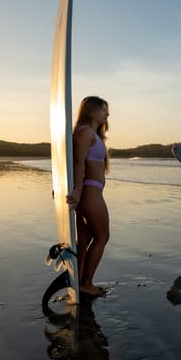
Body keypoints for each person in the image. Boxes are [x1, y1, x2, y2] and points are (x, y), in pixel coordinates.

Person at [67, 96, 110, 297]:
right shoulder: (85, 132)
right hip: (90, 192)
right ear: (91, 110)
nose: (106, 114)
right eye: (103, 110)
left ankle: (80, 280)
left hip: (91, 191)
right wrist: (76, 189)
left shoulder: (91, 133)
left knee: (85, 238)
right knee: (102, 237)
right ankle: (87, 283)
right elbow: (78, 161)